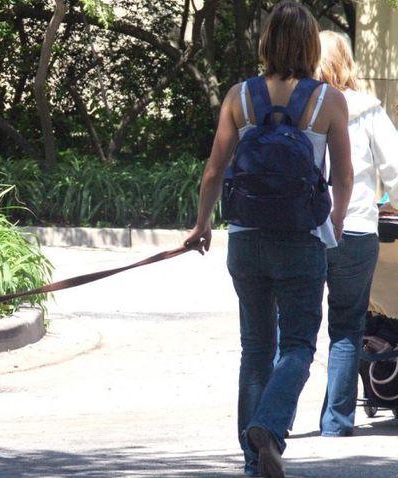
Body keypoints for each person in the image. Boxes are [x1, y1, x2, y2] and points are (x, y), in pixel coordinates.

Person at [183, 3, 353, 477]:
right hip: (302, 239)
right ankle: (269, 429)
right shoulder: (329, 102)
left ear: (267, 41)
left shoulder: (241, 96)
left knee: (256, 347)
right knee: (298, 345)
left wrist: (202, 226)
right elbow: (343, 175)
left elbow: (215, 170)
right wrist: (335, 222)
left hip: (247, 238)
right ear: (310, 45)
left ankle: (253, 460)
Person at [317, 30, 398, 437]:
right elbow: (396, 172)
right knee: (347, 325)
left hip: (304, 230)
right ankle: (336, 421)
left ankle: (271, 420)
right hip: (356, 227)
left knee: (287, 328)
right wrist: (390, 204)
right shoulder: (365, 109)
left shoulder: (299, 106)